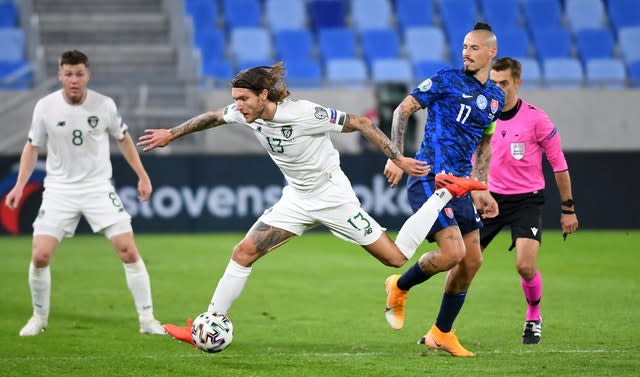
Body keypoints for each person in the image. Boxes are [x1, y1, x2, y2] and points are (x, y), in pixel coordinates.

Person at [136, 62, 488, 346]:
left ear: (263, 95)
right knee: (243, 252)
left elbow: (361, 122)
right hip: (297, 199)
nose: (238, 105)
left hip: (334, 199)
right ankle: (209, 323)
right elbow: (213, 116)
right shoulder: (245, 113)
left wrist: (397, 158)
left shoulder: (304, 113)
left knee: (395, 258)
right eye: (236, 99)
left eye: (243, 99)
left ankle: (443, 192)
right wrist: (171, 134)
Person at [4, 50, 165, 336]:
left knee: (128, 250)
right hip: (59, 190)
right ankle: (39, 318)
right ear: (60, 75)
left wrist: (143, 175)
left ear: (87, 74)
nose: (74, 80)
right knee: (40, 255)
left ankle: (148, 320)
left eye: (79, 74)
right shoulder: (45, 106)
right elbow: (32, 147)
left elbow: (123, 139)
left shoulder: (104, 105)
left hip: (97, 188)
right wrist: (19, 185)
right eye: (68, 74)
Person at [383, 22, 505, 357]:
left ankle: (441, 333)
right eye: (465, 46)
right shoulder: (445, 79)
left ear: (491, 52)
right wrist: (396, 155)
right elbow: (403, 109)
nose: (467, 53)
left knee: (472, 262)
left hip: (461, 186)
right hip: (428, 177)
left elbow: (485, 142)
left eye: (474, 47)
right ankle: (399, 285)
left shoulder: (495, 97)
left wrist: (482, 186)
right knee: (453, 254)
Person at [481, 57, 579, 344]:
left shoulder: (536, 119)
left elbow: (559, 164)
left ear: (518, 82)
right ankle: (442, 329)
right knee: (463, 261)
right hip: (490, 198)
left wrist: (567, 208)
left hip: (527, 200)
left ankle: (533, 316)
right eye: (493, 83)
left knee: (524, 266)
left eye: (504, 83)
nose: (498, 89)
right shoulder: (483, 116)